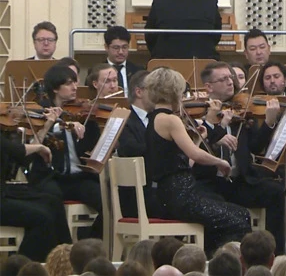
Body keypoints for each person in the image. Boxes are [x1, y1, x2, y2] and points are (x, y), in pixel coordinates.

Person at [144, 67, 252, 255]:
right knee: (241, 216)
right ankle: (222, 264)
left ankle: (211, 257)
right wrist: (220, 162)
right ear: (174, 91)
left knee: (226, 216)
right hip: (181, 196)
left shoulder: (153, 118)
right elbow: (195, 155)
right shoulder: (171, 119)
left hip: (168, 194)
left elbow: (185, 161)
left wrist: (195, 139)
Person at [195, 61, 286, 253]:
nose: (230, 82)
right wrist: (216, 126)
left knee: (277, 192)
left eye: (230, 77)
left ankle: (275, 254)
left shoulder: (241, 111)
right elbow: (200, 151)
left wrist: (269, 122)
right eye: (223, 79)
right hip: (211, 184)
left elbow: (254, 146)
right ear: (209, 87)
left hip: (238, 181)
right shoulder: (199, 114)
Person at [29, 64, 104, 238]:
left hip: (79, 178)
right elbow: (33, 147)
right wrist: (58, 124)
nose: (75, 87)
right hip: (51, 177)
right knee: (52, 199)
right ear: (55, 88)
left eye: (75, 82)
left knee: (108, 202)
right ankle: (65, 248)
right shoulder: (40, 112)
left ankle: (88, 244)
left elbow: (93, 148)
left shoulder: (84, 113)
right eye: (69, 83)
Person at [0, 130, 72, 261]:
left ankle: (66, 261)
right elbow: (15, 150)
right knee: (42, 218)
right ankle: (24, 268)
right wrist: (39, 147)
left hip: (4, 190)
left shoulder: (5, 132)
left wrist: (45, 127)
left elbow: (24, 158)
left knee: (52, 201)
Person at [116, 70, 167, 218]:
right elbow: (132, 150)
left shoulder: (158, 117)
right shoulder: (124, 119)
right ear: (139, 92)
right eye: (154, 90)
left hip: (159, 188)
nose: (160, 95)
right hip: (137, 194)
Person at [104, 25, 143, 96]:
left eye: (124, 47)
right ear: (106, 47)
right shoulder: (96, 72)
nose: (121, 52)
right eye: (116, 48)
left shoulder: (138, 71)